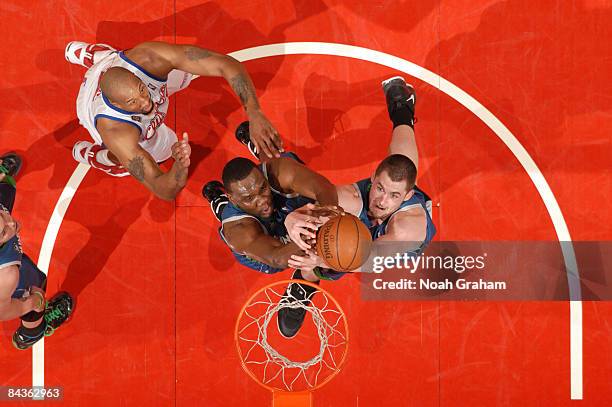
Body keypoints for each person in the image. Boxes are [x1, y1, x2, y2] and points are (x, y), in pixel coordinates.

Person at [65, 40, 282, 200]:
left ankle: (104, 58)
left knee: (183, 74)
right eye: (133, 102)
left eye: (142, 90)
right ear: (121, 106)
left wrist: (254, 112)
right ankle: (100, 158)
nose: (145, 102)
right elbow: (163, 190)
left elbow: (225, 64)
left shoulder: (149, 58)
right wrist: (179, 166)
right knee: (150, 151)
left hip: (118, 71)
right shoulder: (116, 130)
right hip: (91, 107)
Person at [283, 77, 437, 273]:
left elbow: (369, 260)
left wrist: (321, 261)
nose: (382, 200)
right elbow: (312, 207)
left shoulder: (408, 229)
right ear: (372, 178)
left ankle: (305, 283)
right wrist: (291, 219)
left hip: (382, 252)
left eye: (394, 196)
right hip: (366, 206)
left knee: (323, 257)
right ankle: (402, 111)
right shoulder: (355, 197)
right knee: (399, 165)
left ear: (408, 196)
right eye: (380, 188)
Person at [202, 134, 341, 338]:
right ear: (234, 198)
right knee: (314, 251)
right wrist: (320, 231)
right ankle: (218, 200)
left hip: (287, 206)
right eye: (250, 198)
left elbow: (325, 188)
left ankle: (255, 144)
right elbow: (277, 257)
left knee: (280, 160)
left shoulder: (277, 172)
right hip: (267, 247)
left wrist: (325, 214)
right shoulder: (238, 230)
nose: (262, 201)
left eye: (263, 189)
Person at [0, 153, 73, 350]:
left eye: (2, 216)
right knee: (33, 285)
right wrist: (31, 303)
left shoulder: (5, 222)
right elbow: (2, 310)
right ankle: (32, 331)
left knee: (4, 192)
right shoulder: (6, 276)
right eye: (5, 231)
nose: (11, 222)